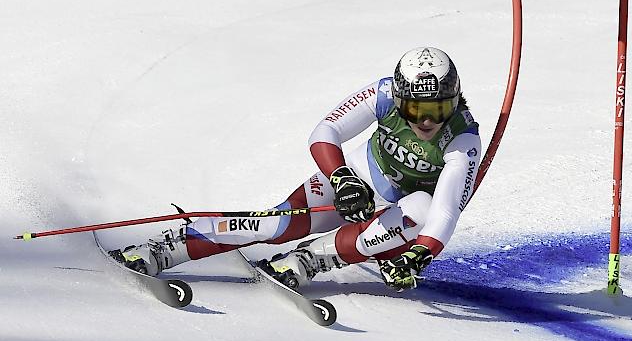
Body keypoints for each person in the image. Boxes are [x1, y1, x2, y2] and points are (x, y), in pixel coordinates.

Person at [110, 47, 481, 292]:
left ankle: (312, 258)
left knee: (422, 207)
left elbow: (446, 210)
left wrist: (422, 254)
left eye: (438, 109)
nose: (428, 121)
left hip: (398, 224)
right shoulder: (383, 94)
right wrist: (343, 178)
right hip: (357, 180)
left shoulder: (463, 138)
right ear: (400, 99)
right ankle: (169, 248)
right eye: (417, 110)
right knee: (275, 226)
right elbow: (325, 131)